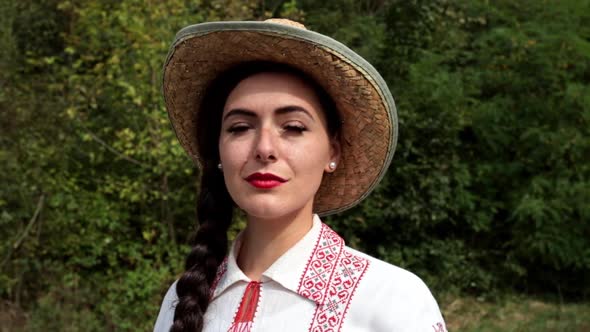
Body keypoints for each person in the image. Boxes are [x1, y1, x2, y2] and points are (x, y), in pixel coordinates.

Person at [155, 19, 447, 332]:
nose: (264, 148)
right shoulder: (182, 300)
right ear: (219, 153)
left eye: (293, 127)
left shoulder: (391, 299)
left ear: (332, 152)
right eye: (240, 128)